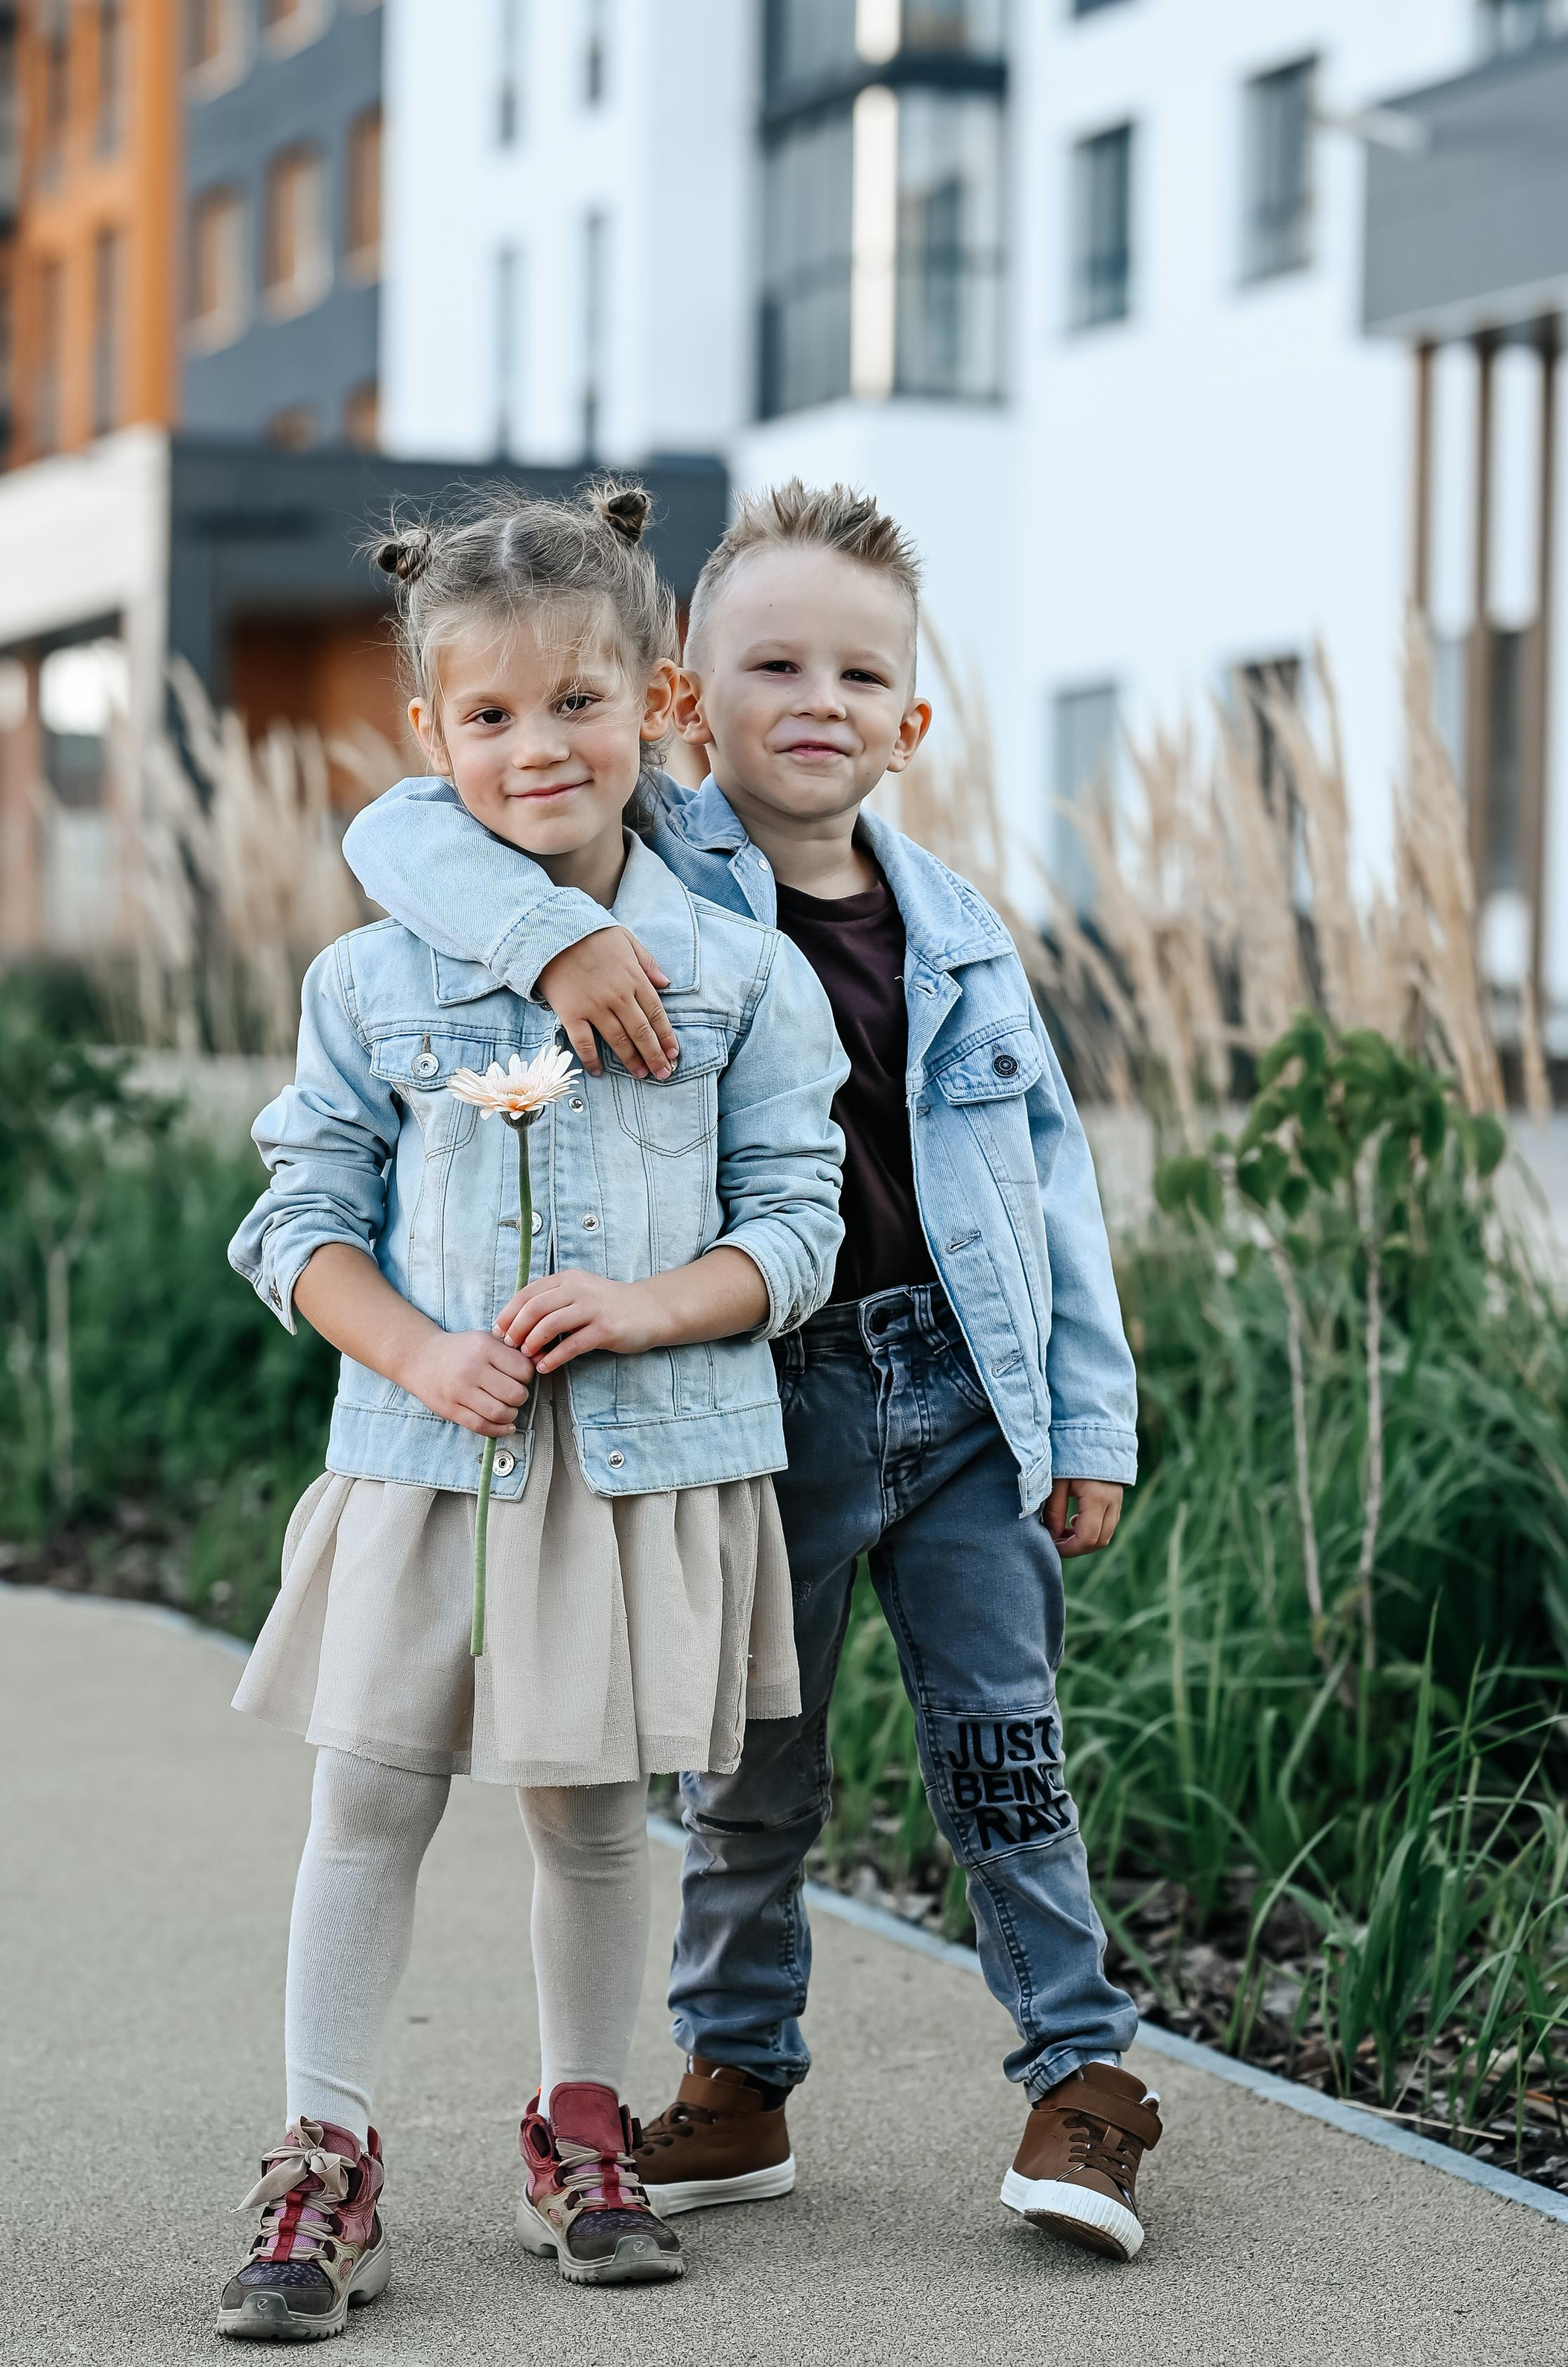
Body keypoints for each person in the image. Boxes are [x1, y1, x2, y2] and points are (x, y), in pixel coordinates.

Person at [346, 479, 1162, 2266]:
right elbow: (405, 834)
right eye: (768, 664)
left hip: (961, 1396)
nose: (816, 700)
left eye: (857, 673)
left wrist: (1084, 1418)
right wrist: (554, 936)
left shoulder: (957, 933)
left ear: (909, 720)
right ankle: (735, 2075)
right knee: (743, 1760)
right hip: (753, 1392)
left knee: (1001, 1740)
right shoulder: (648, 866)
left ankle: (1083, 2073)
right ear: (680, 703)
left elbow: (1048, 1185)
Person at [218, 483, 845, 2338]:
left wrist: (651, 1306)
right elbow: (296, 1217)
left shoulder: (738, 979)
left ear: (657, 701)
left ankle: (585, 2124)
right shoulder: (368, 977)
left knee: (591, 1814)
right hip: (427, 1456)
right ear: (430, 736)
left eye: (575, 703)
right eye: (484, 717)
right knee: (369, 1798)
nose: (533, 748)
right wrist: (414, 1349)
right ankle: (321, 2153)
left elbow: (795, 1229)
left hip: (639, 1470)